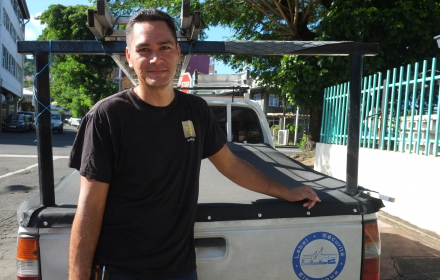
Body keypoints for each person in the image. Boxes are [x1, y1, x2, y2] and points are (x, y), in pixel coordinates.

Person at [68, 8, 321, 280]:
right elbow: (89, 207)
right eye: (144, 49)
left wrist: (287, 191)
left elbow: (231, 165)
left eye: (164, 47)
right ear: (129, 57)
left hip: (181, 270)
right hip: (120, 271)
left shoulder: (196, 110)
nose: (156, 58)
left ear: (178, 52)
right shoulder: (107, 117)